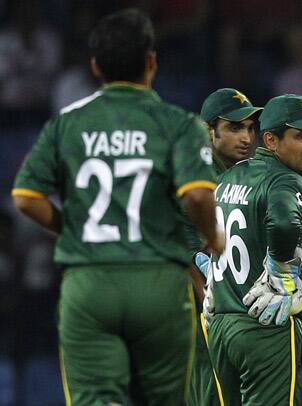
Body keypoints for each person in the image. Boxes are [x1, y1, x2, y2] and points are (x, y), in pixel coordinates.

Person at [11, 9, 224, 405]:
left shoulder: (67, 123)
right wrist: (213, 236)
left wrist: (71, 227)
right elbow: (197, 195)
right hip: (158, 281)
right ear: (151, 62)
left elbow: (26, 197)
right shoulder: (177, 123)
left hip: (90, 282)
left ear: (95, 65)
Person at [205, 94, 302, 405]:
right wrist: (280, 269)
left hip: (223, 327)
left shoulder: (230, 177)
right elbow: (283, 223)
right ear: (271, 140)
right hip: (265, 327)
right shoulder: (286, 179)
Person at [186, 87, 262, 406]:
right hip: (202, 309)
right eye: (234, 127)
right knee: (213, 394)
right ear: (209, 131)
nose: (246, 137)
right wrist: (204, 293)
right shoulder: (194, 177)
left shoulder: (250, 174)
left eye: (249, 127)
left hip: (239, 308)